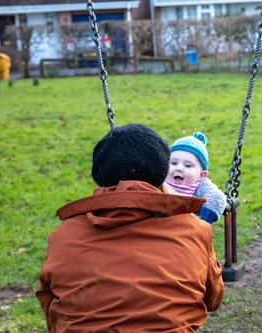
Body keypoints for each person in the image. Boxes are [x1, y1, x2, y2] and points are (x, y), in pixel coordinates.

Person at [36, 123, 224, 332]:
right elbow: (213, 299)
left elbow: (50, 303)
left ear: (100, 173)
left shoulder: (63, 236)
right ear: (162, 170)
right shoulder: (194, 230)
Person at [165, 132, 227, 224]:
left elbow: (217, 198)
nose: (179, 168)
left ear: (201, 176)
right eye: (174, 163)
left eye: (188, 165)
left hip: (188, 229)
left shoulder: (201, 186)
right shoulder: (161, 181)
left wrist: (203, 220)